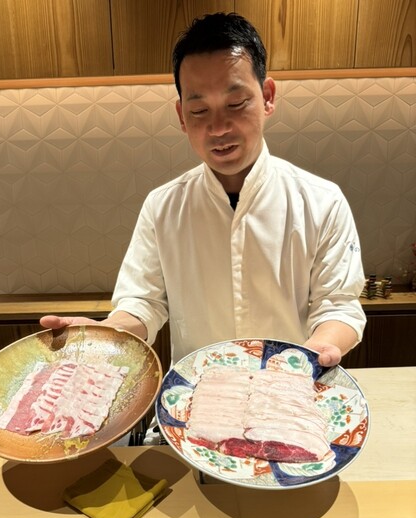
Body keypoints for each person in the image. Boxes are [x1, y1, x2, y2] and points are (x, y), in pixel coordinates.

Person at [41, 12, 366, 368]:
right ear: (182, 115)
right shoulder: (163, 206)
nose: (218, 127)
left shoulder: (322, 201)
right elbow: (142, 303)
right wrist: (107, 333)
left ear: (267, 97)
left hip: (287, 385)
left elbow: (338, 306)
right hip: (194, 393)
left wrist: (315, 351)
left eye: (236, 104)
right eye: (198, 110)